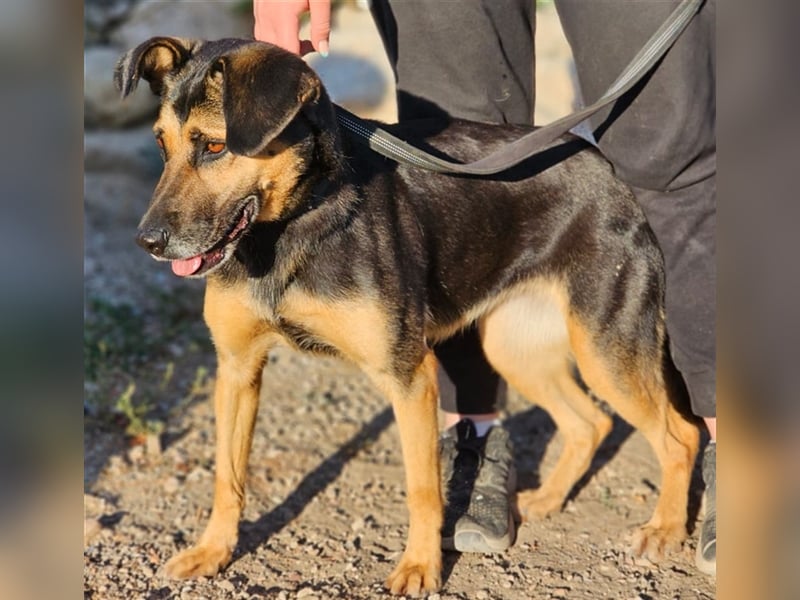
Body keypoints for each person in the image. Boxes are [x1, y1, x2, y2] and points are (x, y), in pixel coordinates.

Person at [253, 0, 716, 576]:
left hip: (582, 215)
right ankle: (480, 437)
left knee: (668, 141)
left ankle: (718, 451)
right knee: (451, 126)